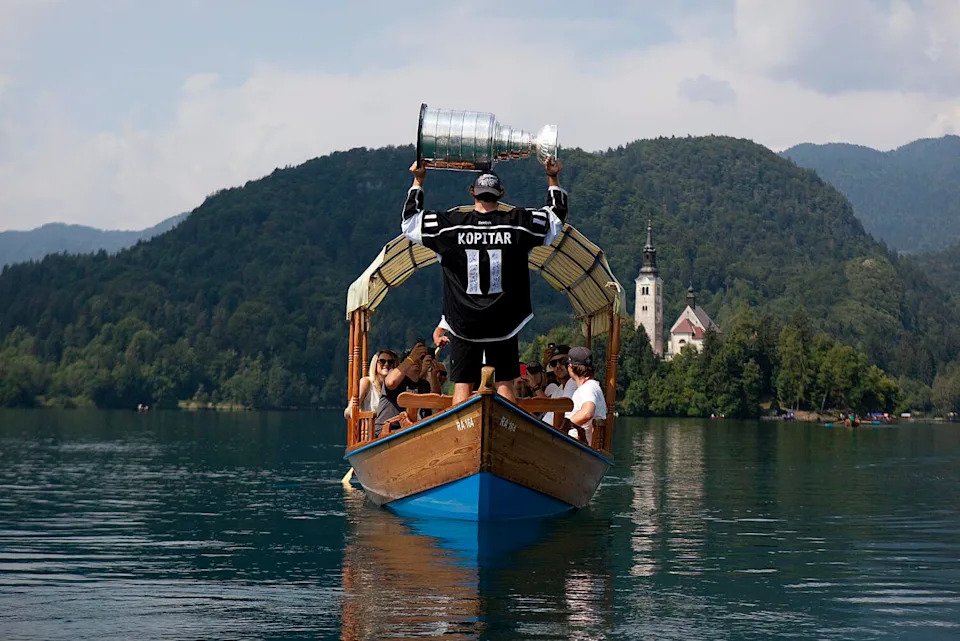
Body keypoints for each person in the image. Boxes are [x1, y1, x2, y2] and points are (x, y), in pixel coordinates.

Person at [403, 157, 567, 405]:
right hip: (504, 323)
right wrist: (552, 177)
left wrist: (418, 180)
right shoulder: (517, 225)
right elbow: (555, 217)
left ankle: (461, 433)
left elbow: (410, 222)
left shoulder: (450, 228)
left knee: (462, 384)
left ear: (473, 193)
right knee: (505, 382)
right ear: (500, 194)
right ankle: (506, 434)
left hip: (464, 323)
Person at [374, 342, 433, 436]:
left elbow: (435, 404)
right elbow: (390, 382)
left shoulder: (424, 385)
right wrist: (411, 357)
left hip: (414, 431)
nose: (416, 360)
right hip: (387, 432)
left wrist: (433, 371)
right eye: (410, 358)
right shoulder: (396, 379)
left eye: (420, 359)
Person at [563, 346, 606, 446]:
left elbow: (587, 412)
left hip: (575, 447)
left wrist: (566, 426)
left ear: (570, 367)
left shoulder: (588, 387)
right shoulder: (592, 386)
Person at [344, 349, 398, 420]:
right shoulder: (366, 382)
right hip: (371, 428)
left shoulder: (395, 386)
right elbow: (348, 411)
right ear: (375, 364)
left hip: (392, 428)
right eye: (382, 361)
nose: (386, 364)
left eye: (390, 362)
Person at [542, 345, 577, 426]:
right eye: (553, 363)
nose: (558, 366)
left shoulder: (574, 382)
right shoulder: (558, 391)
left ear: (571, 363)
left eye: (562, 361)